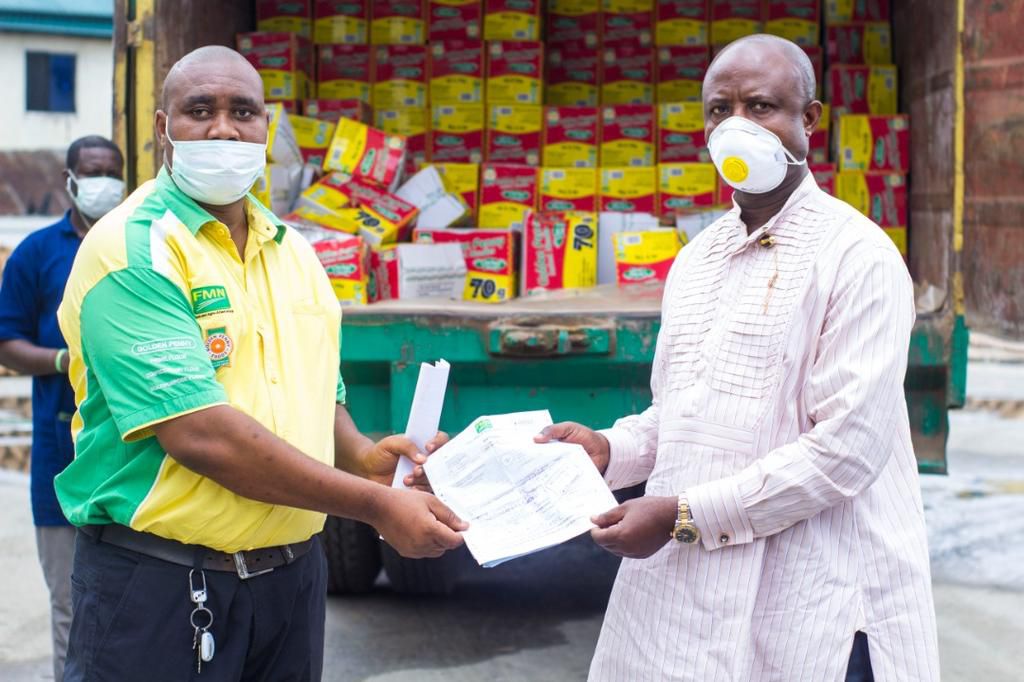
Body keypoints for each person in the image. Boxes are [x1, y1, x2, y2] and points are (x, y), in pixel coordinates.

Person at [55, 45, 465, 682]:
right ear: (163, 129)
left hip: (291, 583)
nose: (223, 128)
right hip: (159, 584)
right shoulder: (132, 249)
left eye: (242, 111)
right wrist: (375, 506)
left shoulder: (294, 252)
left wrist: (362, 455)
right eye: (200, 110)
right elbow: (201, 435)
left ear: (266, 129)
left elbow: (314, 392)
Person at [537, 34, 939, 681]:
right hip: (691, 598)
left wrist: (683, 516)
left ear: (808, 121)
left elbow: (845, 453)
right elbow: (679, 413)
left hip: (817, 598)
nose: (736, 127)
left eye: (761, 106)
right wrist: (609, 450)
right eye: (719, 110)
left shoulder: (857, 257)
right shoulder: (697, 261)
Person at [0, 135, 125, 681]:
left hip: (136, 452)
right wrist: (62, 360)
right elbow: (6, 342)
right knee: (72, 607)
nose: (102, 182)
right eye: (91, 172)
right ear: (70, 180)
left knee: (137, 606)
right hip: (60, 452)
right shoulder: (37, 254)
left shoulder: (142, 244)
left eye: (111, 173)